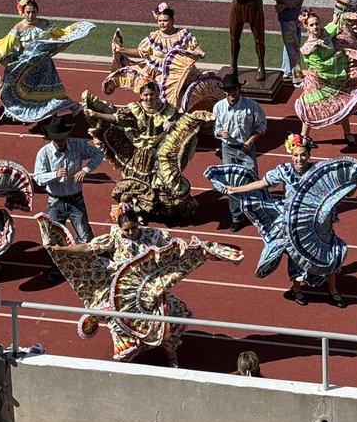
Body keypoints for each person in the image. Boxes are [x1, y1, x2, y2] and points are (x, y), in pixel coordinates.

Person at [41, 203, 242, 365]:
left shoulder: (153, 235)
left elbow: (175, 247)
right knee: (116, 323)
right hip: (121, 291)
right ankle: (127, 359)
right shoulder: (114, 239)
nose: (130, 233)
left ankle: (170, 352)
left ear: (138, 223)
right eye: (126, 230)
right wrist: (61, 249)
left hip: (149, 290)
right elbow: (87, 248)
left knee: (167, 320)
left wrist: (197, 249)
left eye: (134, 228)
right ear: (119, 229)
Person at [214, 135, 357, 307]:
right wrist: (236, 190)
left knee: (331, 252)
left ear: (309, 155)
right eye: (296, 155)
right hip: (294, 224)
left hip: (320, 225)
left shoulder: (319, 171)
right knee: (296, 258)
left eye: (303, 155)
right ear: (291, 155)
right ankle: (296, 289)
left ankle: (333, 290)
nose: (299, 159)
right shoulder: (284, 171)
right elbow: (262, 183)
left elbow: (347, 171)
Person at [82, 82, 207, 224]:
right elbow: (117, 118)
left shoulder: (168, 110)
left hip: (159, 154)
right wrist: (96, 114)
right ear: (141, 96)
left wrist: (172, 124)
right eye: (145, 95)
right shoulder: (135, 109)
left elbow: (181, 122)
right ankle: (138, 211)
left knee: (163, 183)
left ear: (156, 94)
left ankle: (161, 209)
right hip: (141, 156)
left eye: (151, 94)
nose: (149, 98)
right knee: (137, 184)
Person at [0, 0, 94, 124]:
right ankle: (29, 115)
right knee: (25, 92)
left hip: (44, 65)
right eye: (28, 12)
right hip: (27, 68)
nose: (31, 15)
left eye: (33, 12)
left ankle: (50, 114)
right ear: (22, 12)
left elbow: (60, 33)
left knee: (51, 92)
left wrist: (74, 27)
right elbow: (5, 45)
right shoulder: (18, 28)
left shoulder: (44, 24)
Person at [106, 2, 223, 112]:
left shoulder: (183, 34)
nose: (162, 23)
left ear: (172, 20)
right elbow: (141, 52)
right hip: (159, 73)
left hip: (182, 71)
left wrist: (199, 52)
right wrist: (120, 50)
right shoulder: (153, 37)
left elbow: (195, 47)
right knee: (160, 93)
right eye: (160, 21)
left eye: (165, 21)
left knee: (186, 92)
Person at [33, 114, 104, 282]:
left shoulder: (78, 146)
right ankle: (56, 269)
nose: (60, 142)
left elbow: (98, 155)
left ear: (67, 136)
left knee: (85, 235)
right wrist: (54, 174)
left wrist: (85, 171)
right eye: (57, 140)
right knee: (53, 239)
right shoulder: (44, 153)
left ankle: (93, 266)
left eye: (62, 138)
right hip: (55, 201)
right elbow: (37, 177)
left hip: (75, 200)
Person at [295, 9, 357, 147]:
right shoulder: (309, 48)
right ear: (307, 27)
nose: (315, 27)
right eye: (312, 25)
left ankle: (347, 133)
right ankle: (304, 137)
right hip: (318, 81)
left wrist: (337, 17)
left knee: (343, 103)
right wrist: (336, 57)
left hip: (335, 76)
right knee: (310, 108)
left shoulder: (324, 33)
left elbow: (334, 26)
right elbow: (321, 67)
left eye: (317, 23)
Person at [212, 72, 267, 231]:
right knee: (230, 183)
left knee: (253, 181)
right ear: (224, 92)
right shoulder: (218, 107)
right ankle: (236, 216)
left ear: (239, 89)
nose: (232, 93)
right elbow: (215, 128)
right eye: (228, 90)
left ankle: (257, 212)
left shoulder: (252, 106)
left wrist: (250, 142)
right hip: (228, 149)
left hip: (246, 148)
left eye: (234, 89)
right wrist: (220, 133)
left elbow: (261, 126)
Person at [270, 0, 309, 83]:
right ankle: (296, 74)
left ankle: (286, 70)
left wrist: (285, 5)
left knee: (293, 42)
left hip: (297, 15)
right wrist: (287, 4)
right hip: (286, 17)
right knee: (293, 45)